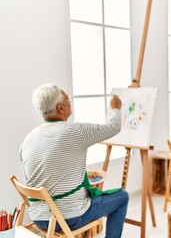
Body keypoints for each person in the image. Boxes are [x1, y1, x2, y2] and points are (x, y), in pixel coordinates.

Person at [19, 83, 128, 238]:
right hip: (69, 217)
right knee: (122, 197)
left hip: (38, 217)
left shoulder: (28, 139)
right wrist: (115, 108)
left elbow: (35, 178)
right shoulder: (76, 132)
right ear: (60, 107)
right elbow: (114, 127)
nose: (70, 102)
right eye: (68, 99)